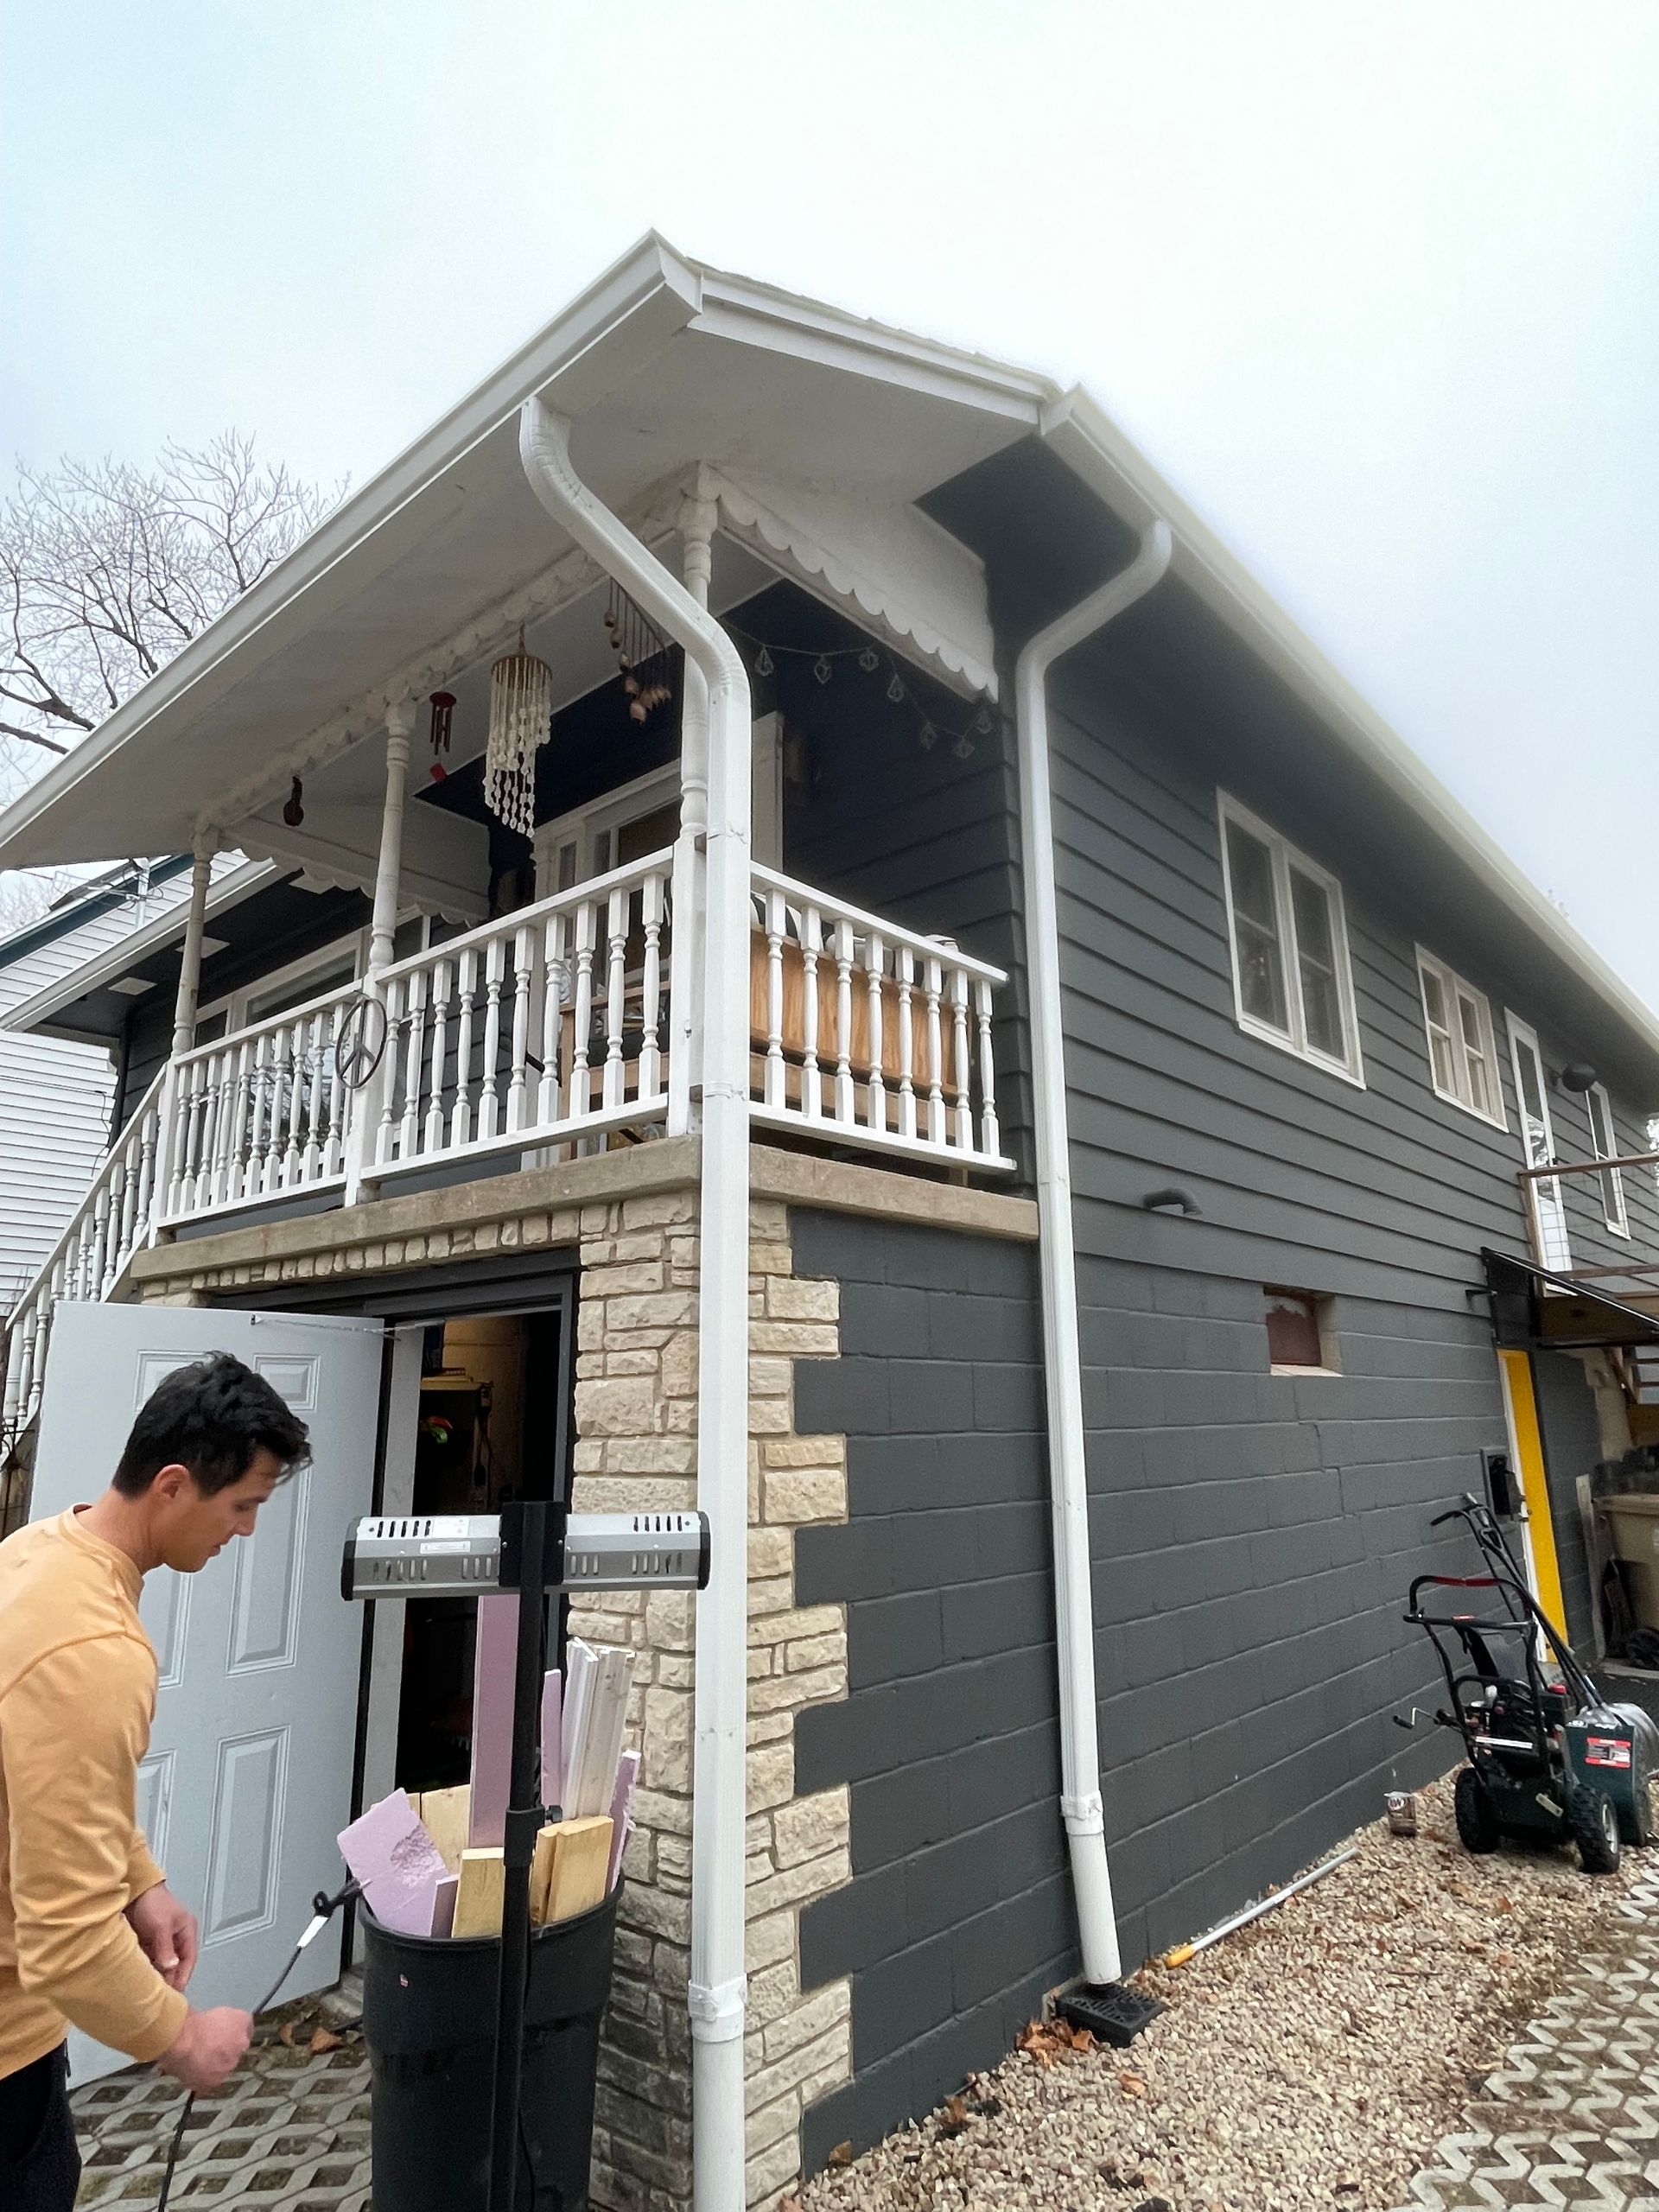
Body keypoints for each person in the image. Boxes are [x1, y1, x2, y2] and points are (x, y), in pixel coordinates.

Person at [0, 1351, 311, 2210]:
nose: (246, 1531)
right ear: (172, 1485)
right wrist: (183, 2037)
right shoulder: (92, 1648)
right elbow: (64, 1934)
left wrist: (142, 1881)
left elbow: (37, 1774)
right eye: (243, 1504)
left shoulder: (39, 1551)